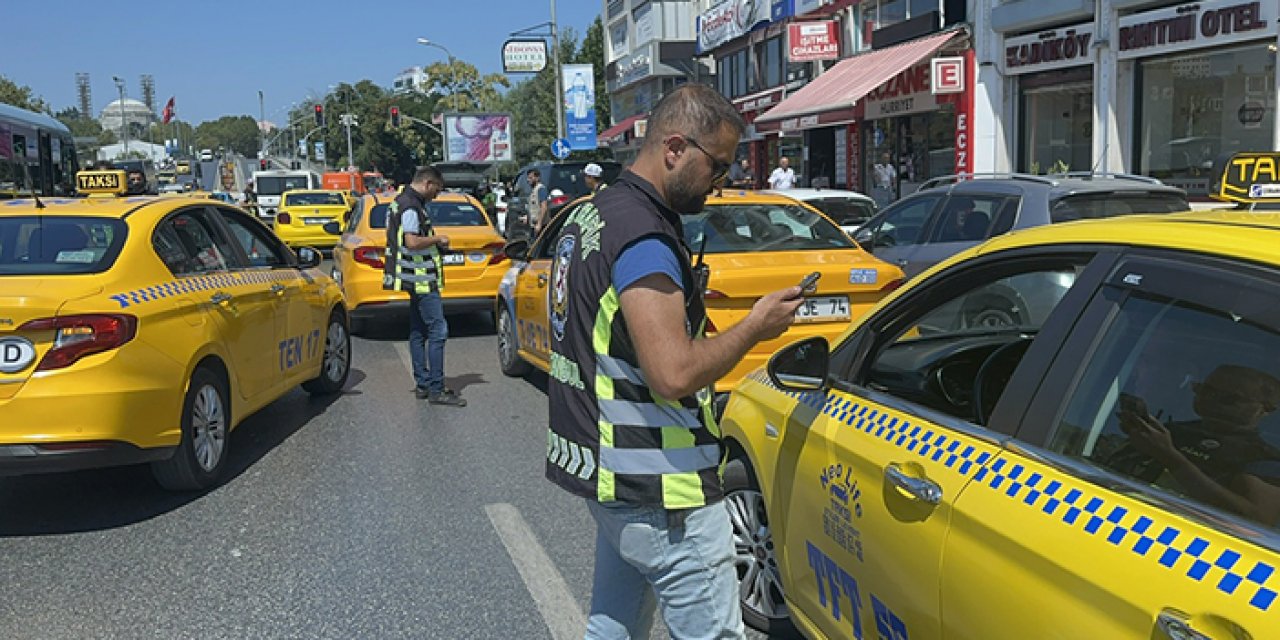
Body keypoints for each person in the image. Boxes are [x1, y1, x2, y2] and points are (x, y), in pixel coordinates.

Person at [545, 84, 805, 639]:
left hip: (609, 476)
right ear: (675, 149)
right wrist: (756, 326)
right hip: (664, 490)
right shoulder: (645, 238)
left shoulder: (591, 215)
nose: (722, 181)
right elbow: (674, 374)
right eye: (718, 166)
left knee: (612, 627)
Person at [1114, 364, 1280, 526]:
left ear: (1265, 409)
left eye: (1229, 398)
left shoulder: (1264, 458)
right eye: (1205, 390)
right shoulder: (1174, 430)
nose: (1211, 399)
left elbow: (1255, 520)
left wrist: (1169, 457)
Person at [383, 166, 466, 407]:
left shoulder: (401, 201)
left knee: (418, 331)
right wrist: (438, 239)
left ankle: (423, 383)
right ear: (428, 183)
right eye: (437, 190)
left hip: (411, 277)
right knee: (438, 331)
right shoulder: (411, 206)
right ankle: (436, 388)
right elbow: (412, 241)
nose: (437, 195)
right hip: (420, 279)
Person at [526, 169, 548, 233]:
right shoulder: (533, 190)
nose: (528, 180)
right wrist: (527, 217)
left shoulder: (541, 189)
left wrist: (539, 223)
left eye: (530, 178)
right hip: (533, 225)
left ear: (537, 178)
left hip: (541, 226)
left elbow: (544, 207)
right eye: (528, 178)